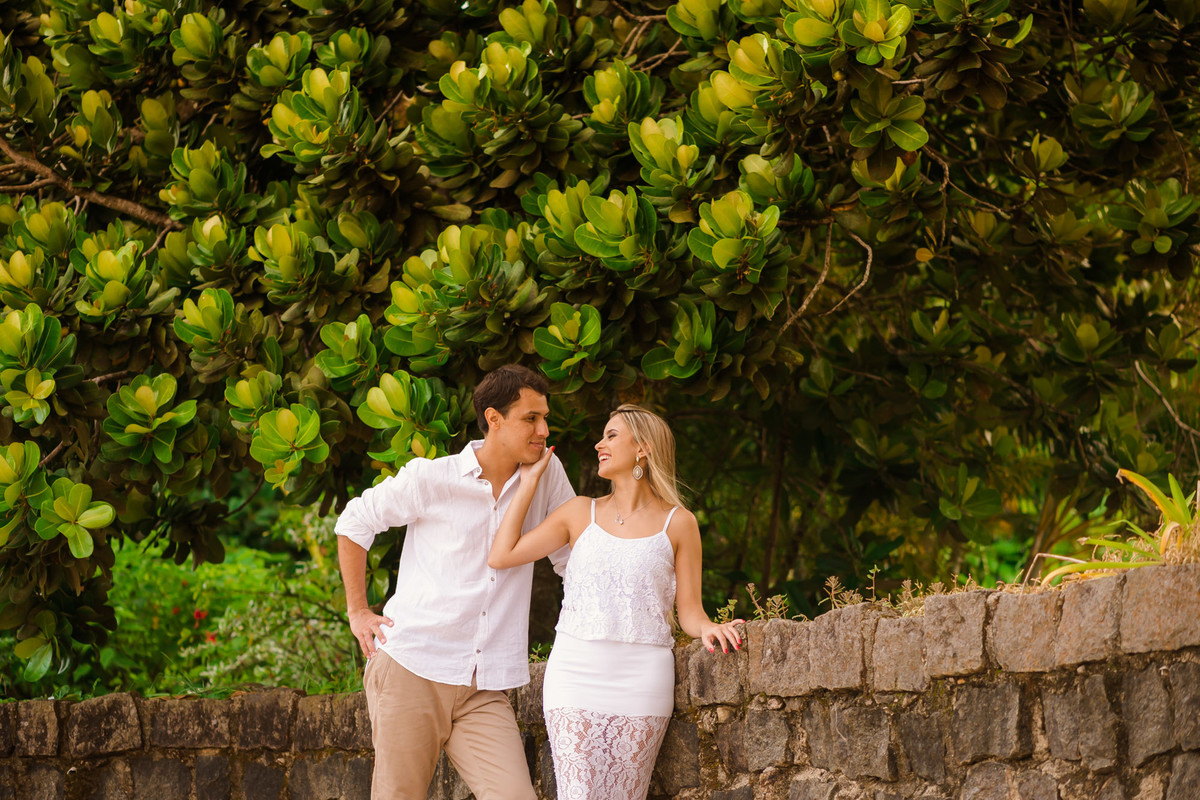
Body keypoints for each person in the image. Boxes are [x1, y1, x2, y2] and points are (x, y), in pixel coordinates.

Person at [335, 364, 575, 800]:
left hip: (484, 684)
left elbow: (572, 559)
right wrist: (358, 610)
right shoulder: (433, 477)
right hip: (414, 667)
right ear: (493, 419)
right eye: (530, 418)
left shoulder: (546, 476)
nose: (543, 430)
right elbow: (354, 522)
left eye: (544, 418)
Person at [488, 403, 744, 799]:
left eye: (611, 436)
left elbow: (690, 612)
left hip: (641, 680)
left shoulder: (679, 523)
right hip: (573, 676)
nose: (598, 444)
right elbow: (501, 555)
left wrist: (711, 627)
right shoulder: (578, 513)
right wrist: (529, 485)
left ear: (642, 448)